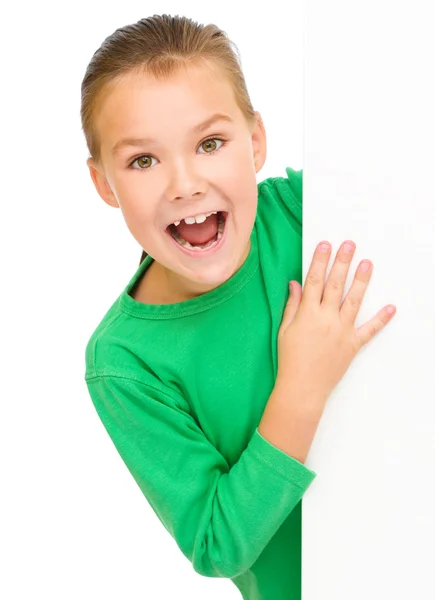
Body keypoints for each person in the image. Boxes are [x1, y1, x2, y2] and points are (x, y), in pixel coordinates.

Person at [82, 14, 397, 600]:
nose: (185, 184)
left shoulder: (313, 209)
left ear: (255, 143)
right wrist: (301, 386)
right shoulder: (125, 361)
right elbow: (217, 543)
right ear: (105, 185)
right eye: (143, 161)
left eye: (209, 143)